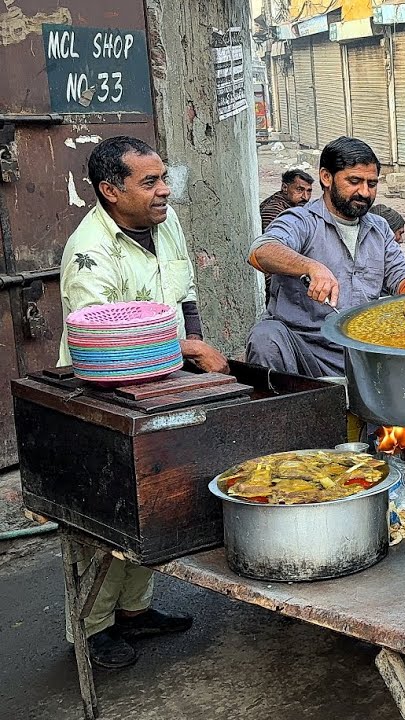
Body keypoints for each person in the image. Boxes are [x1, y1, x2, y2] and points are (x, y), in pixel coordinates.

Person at [58, 135, 230, 669]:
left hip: (162, 381)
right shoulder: (90, 252)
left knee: (154, 501)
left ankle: (135, 611)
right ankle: (93, 629)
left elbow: (184, 295)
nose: (164, 190)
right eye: (149, 182)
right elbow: (103, 335)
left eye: (163, 178)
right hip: (106, 393)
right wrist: (189, 347)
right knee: (106, 515)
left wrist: (192, 346)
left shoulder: (165, 222)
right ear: (111, 190)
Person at [246, 137, 405, 377]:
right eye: (354, 181)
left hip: (361, 351)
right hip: (304, 352)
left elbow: (404, 282)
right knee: (266, 337)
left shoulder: (379, 228)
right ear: (326, 178)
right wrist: (310, 266)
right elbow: (261, 251)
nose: (364, 192)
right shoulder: (301, 220)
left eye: (372, 184)